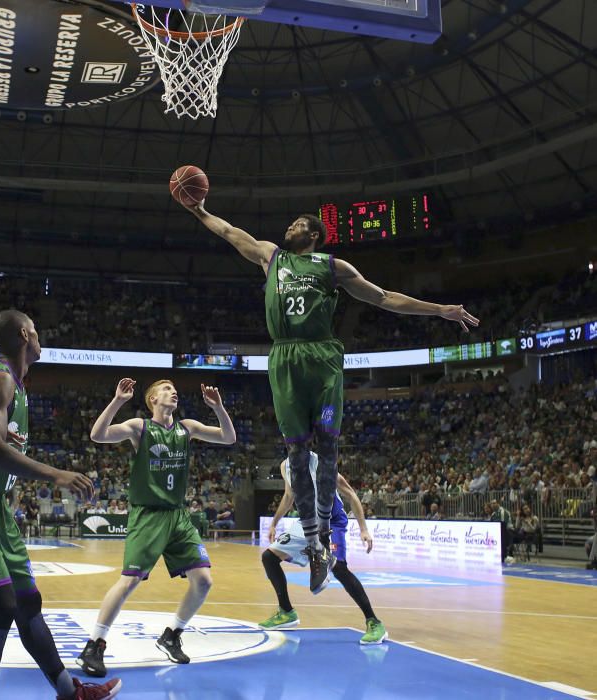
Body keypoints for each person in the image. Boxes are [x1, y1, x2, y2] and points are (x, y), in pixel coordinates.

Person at [182, 199, 478, 593]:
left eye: (296, 223)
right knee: (297, 454)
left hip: (322, 355)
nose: (289, 227)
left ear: (314, 234)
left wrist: (440, 310)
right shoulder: (271, 256)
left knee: (328, 446)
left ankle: (322, 531)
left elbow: (385, 297)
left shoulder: (333, 267)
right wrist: (200, 211)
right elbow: (230, 232)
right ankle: (315, 543)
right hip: (284, 356)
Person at [0, 309, 121, 700]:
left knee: (28, 601)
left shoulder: (17, 387)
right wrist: (56, 475)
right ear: (24, 334)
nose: (40, 339)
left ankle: (69, 690)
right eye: (36, 332)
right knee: (1, 608)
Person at [77, 378, 236, 677]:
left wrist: (219, 408)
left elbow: (228, 438)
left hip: (177, 515)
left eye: (174, 388)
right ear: (152, 399)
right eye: (165, 389)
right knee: (129, 581)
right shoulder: (140, 427)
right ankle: (94, 645)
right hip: (148, 515)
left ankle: (172, 635)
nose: (172, 391)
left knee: (203, 581)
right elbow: (97, 435)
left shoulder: (186, 427)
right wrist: (118, 401)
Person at [259, 454, 387, 645]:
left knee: (339, 568)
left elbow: (350, 493)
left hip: (332, 521)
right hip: (307, 522)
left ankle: (374, 622)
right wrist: (274, 523)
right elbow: (288, 496)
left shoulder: (320, 462)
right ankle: (286, 612)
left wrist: (363, 529)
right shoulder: (285, 465)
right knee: (269, 557)